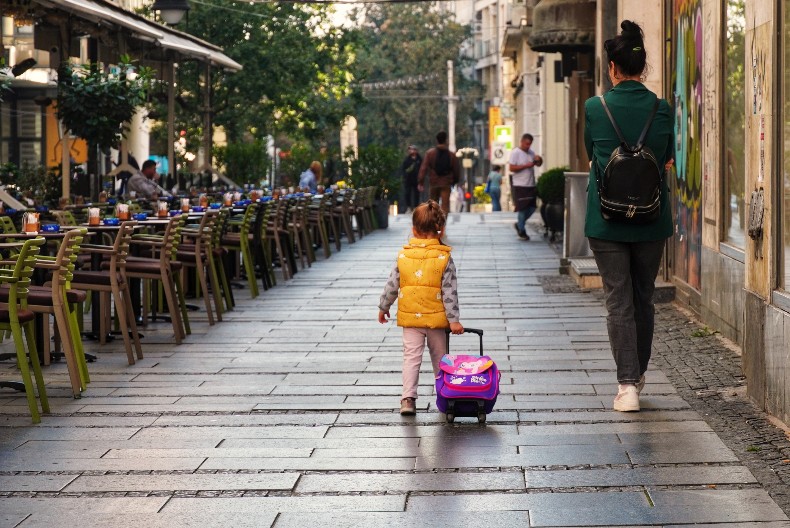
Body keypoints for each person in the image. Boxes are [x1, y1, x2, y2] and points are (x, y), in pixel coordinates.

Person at [584, 20, 674, 413]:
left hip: (606, 219)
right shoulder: (662, 108)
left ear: (612, 68)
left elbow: (591, 152)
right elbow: (668, 157)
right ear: (643, 67)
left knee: (617, 299)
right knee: (644, 298)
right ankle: (637, 374)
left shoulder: (595, 107)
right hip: (652, 217)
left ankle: (627, 387)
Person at [377, 200, 464, 415]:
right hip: (436, 320)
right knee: (441, 359)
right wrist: (454, 320)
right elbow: (449, 292)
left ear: (414, 230)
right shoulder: (444, 258)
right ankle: (445, 396)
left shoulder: (404, 256)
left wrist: (383, 306)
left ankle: (408, 399)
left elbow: (392, 285)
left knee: (411, 358)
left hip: (411, 320)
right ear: (441, 229)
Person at [509, 133, 542, 240]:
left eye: (530, 144)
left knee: (532, 207)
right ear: (522, 142)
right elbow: (511, 168)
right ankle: (522, 230)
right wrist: (525, 166)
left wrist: (538, 159)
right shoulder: (516, 152)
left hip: (530, 184)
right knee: (522, 209)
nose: (528, 146)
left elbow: (538, 164)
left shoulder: (531, 153)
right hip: (520, 185)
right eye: (526, 144)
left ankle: (519, 224)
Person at [418, 131, 460, 215]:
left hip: (434, 182)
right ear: (446, 141)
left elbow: (423, 168)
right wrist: (454, 181)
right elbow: (456, 170)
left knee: (433, 205)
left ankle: (434, 222)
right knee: (445, 205)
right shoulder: (451, 155)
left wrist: (420, 181)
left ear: (437, 141)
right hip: (446, 182)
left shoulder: (430, 153)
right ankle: (442, 225)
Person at [400, 145, 422, 213]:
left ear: (416, 150)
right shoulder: (407, 160)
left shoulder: (419, 159)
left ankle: (416, 207)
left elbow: (422, 169)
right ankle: (409, 207)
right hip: (408, 180)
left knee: (416, 194)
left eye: (412, 149)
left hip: (417, 179)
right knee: (407, 193)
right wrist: (405, 176)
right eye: (410, 149)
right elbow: (403, 169)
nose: (410, 151)